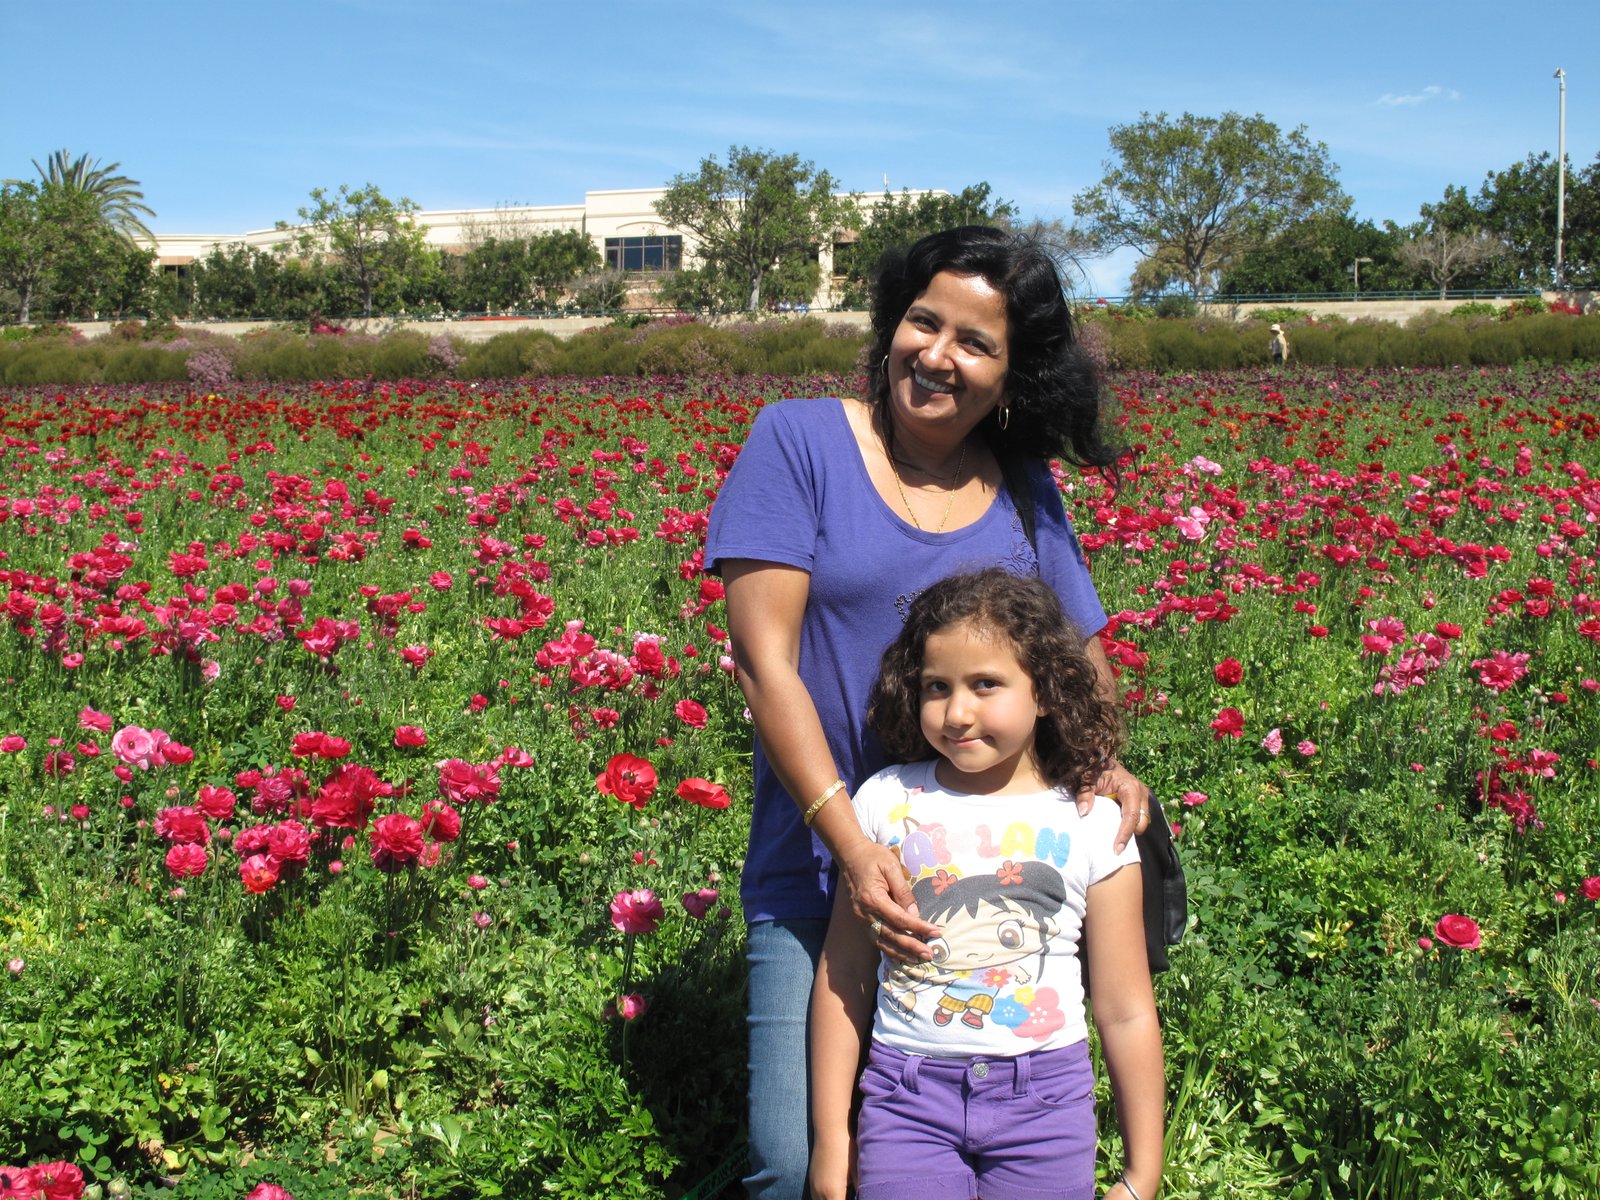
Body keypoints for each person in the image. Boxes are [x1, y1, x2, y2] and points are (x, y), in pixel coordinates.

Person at [704, 226, 1150, 1199]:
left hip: (985, 873)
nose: (936, 354)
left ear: (1013, 376)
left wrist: (1104, 762)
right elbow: (763, 663)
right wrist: (853, 845)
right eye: (923, 321)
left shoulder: (1022, 485)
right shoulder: (800, 441)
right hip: (816, 864)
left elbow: (1078, 651)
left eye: (974, 342)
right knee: (797, 1163)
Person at [809, 569, 1164, 1200]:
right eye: (937, 687)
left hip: (1046, 1102)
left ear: (1046, 691)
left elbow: (1126, 1007)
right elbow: (847, 972)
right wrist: (833, 1135)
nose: (956, 713)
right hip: (906, 1098)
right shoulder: (884, 803)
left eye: (986, 684)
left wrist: (1143, 1171)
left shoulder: (1092, 823)